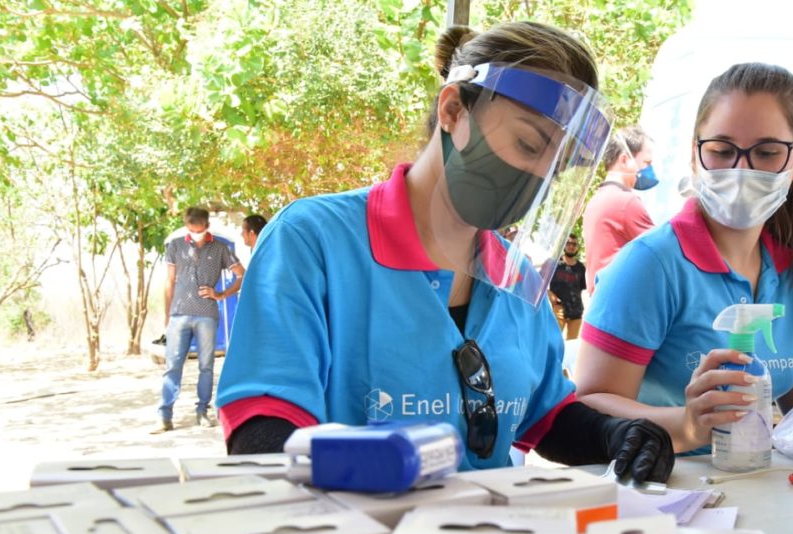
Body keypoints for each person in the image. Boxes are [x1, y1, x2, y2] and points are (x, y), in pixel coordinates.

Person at [215, 22, 674, 483]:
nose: (539, 178)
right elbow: (261, 428)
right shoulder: (313, 242)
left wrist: (613, 435)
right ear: (453, 109)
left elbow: (544, 418)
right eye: (529, 145)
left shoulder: (515, 280)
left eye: (560, 165)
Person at [575, 63, 793, 454]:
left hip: (765, 492)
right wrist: (687, 426)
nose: (741, 170)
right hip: (669, 496)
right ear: (695, 156)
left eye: (767, 152)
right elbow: (587, 404)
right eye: (722, 150)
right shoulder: (651, 266)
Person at [157, 207, 245, 431]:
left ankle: (202, 412)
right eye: (190, 229)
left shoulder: (220, 248)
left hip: (207, 315)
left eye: (198, 229)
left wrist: (221, 294)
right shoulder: (175, 246)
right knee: (172, 366)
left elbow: (242, 274)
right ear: (186, 226)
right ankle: (164, 415)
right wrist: (167, 315)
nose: (194, 233)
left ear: (206, 226)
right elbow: (169, 282)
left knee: (206, 366)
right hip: (178, 315)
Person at [581, 125, 657, 293]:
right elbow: (663, 257)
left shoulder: (597, 199)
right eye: (646, 163)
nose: (648, 169)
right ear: (624, 160)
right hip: (624, 308)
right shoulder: (626, 203)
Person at [548, 234, 586, 340]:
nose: (571, 246)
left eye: (574, 244)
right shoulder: (555, 263)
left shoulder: (581, 268)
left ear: (577, 247)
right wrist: (550, 294)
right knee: (553, 341)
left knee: (571, 345)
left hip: (576, 312)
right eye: (568, 243)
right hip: (559, 309)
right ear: (564, 245)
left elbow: (580, 289)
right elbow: (541, 282)